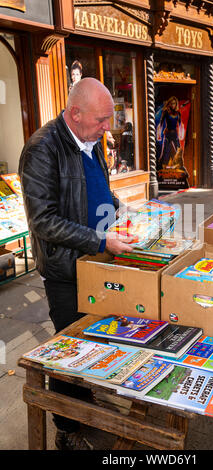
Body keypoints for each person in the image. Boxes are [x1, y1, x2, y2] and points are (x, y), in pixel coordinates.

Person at [19, 77, 134, 450]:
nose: (107, 128)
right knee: (68, 350)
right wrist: (101, 239)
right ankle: (67, 429)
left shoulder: (90, 139)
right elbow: (44, 221)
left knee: (98, 342)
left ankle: (86, 404)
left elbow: (95, 186)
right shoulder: (42, 148)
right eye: (102, 120)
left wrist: (121, 208)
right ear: (74, 113)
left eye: (109, 119)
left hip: (97, 259)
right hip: (67, 268)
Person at [156, 96, 183, 168]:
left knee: (178, 149)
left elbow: (180, 125)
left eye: (174, 103)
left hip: (175, 133)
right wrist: (159, 135)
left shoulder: (178, 113)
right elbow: (161, 124)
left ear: (176, 104)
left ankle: (179, 165)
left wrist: (181, 134)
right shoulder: (166, 112)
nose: (173, 105)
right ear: (169, 104)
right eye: (171, 103)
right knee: (165, 150)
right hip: (167, 133)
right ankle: (162, 165)